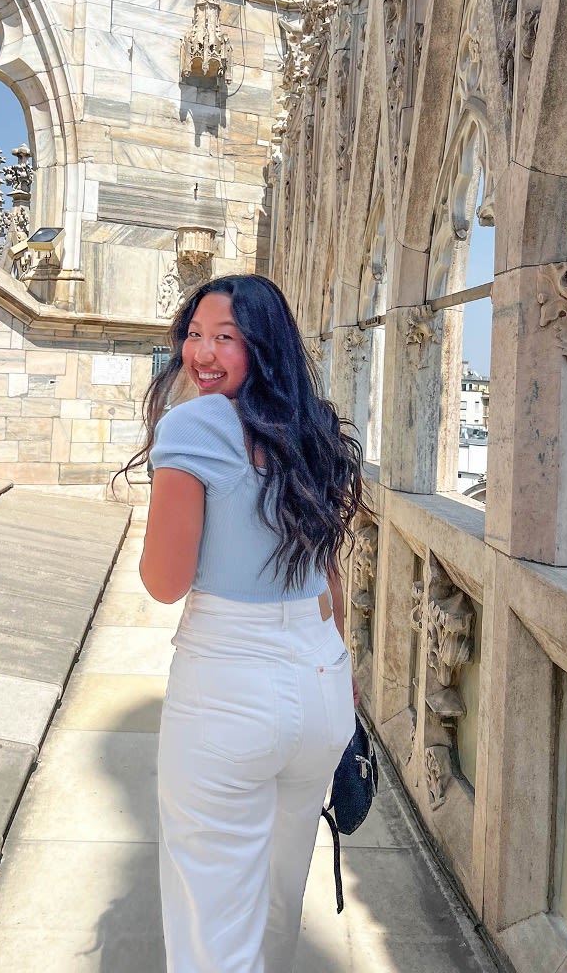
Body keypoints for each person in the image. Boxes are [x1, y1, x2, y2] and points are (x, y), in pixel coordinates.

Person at [121, 274, 366, 973]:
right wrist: (343, 679)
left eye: (225, 338)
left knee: (212, 925)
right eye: (193, 335)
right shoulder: (312, 427)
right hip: (322, 683)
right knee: (275, 904)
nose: (202, 353)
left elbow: (163, 582)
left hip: (230, 688)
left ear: (262, 345)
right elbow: (329, 575)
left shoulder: (193, 424)